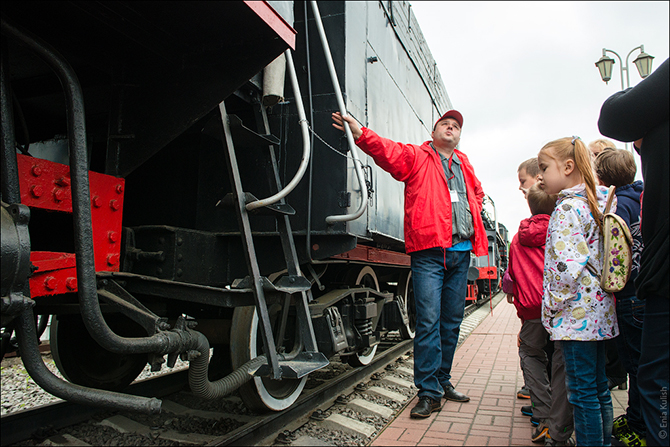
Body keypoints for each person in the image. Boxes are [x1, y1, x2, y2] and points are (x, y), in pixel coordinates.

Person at [332, 110, 488, 418]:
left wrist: (474, 211)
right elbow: (387, 151)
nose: (451, 128)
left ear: (459, 136)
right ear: (434, 131)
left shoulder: (465, 163)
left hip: (461, 252)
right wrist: (360, 132)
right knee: (429, 321)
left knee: (451, 322)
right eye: (446, 123)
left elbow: (478, 193)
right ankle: (428, 392)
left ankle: (442, 381)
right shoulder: (417, 156)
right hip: (429, 251)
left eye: (456, 126)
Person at [597, 57, 668, 447]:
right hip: (641, 285)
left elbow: (615, 116)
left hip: (641, 287)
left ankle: (648, 431)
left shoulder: (620, 203)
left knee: (653, 374)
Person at [538, 136, 618, 446]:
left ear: (568, 166)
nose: (541, 175)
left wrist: (552, 308)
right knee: (598, 387)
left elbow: (565, 269)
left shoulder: (567, 209)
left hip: (575, 319)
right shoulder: (595, 201)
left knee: (581, 392)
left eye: (545, 167)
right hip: (600, 314)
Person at [507, 184, 574, 446]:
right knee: (561, 362)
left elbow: (511, 275)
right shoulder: (563, 230)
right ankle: (559, 426)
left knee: (531, 355)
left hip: (532, 309)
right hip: (560, 307)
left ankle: (542, 416)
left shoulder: (517, 238)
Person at [594, 148, 646, 446]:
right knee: (641, 364)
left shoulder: (618, 207)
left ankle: (640, 426)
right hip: (642, 290)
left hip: (627, 293)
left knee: (636, 365)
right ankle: (637, 417)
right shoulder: (639, 199)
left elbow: (614, 255)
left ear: (603, 178)